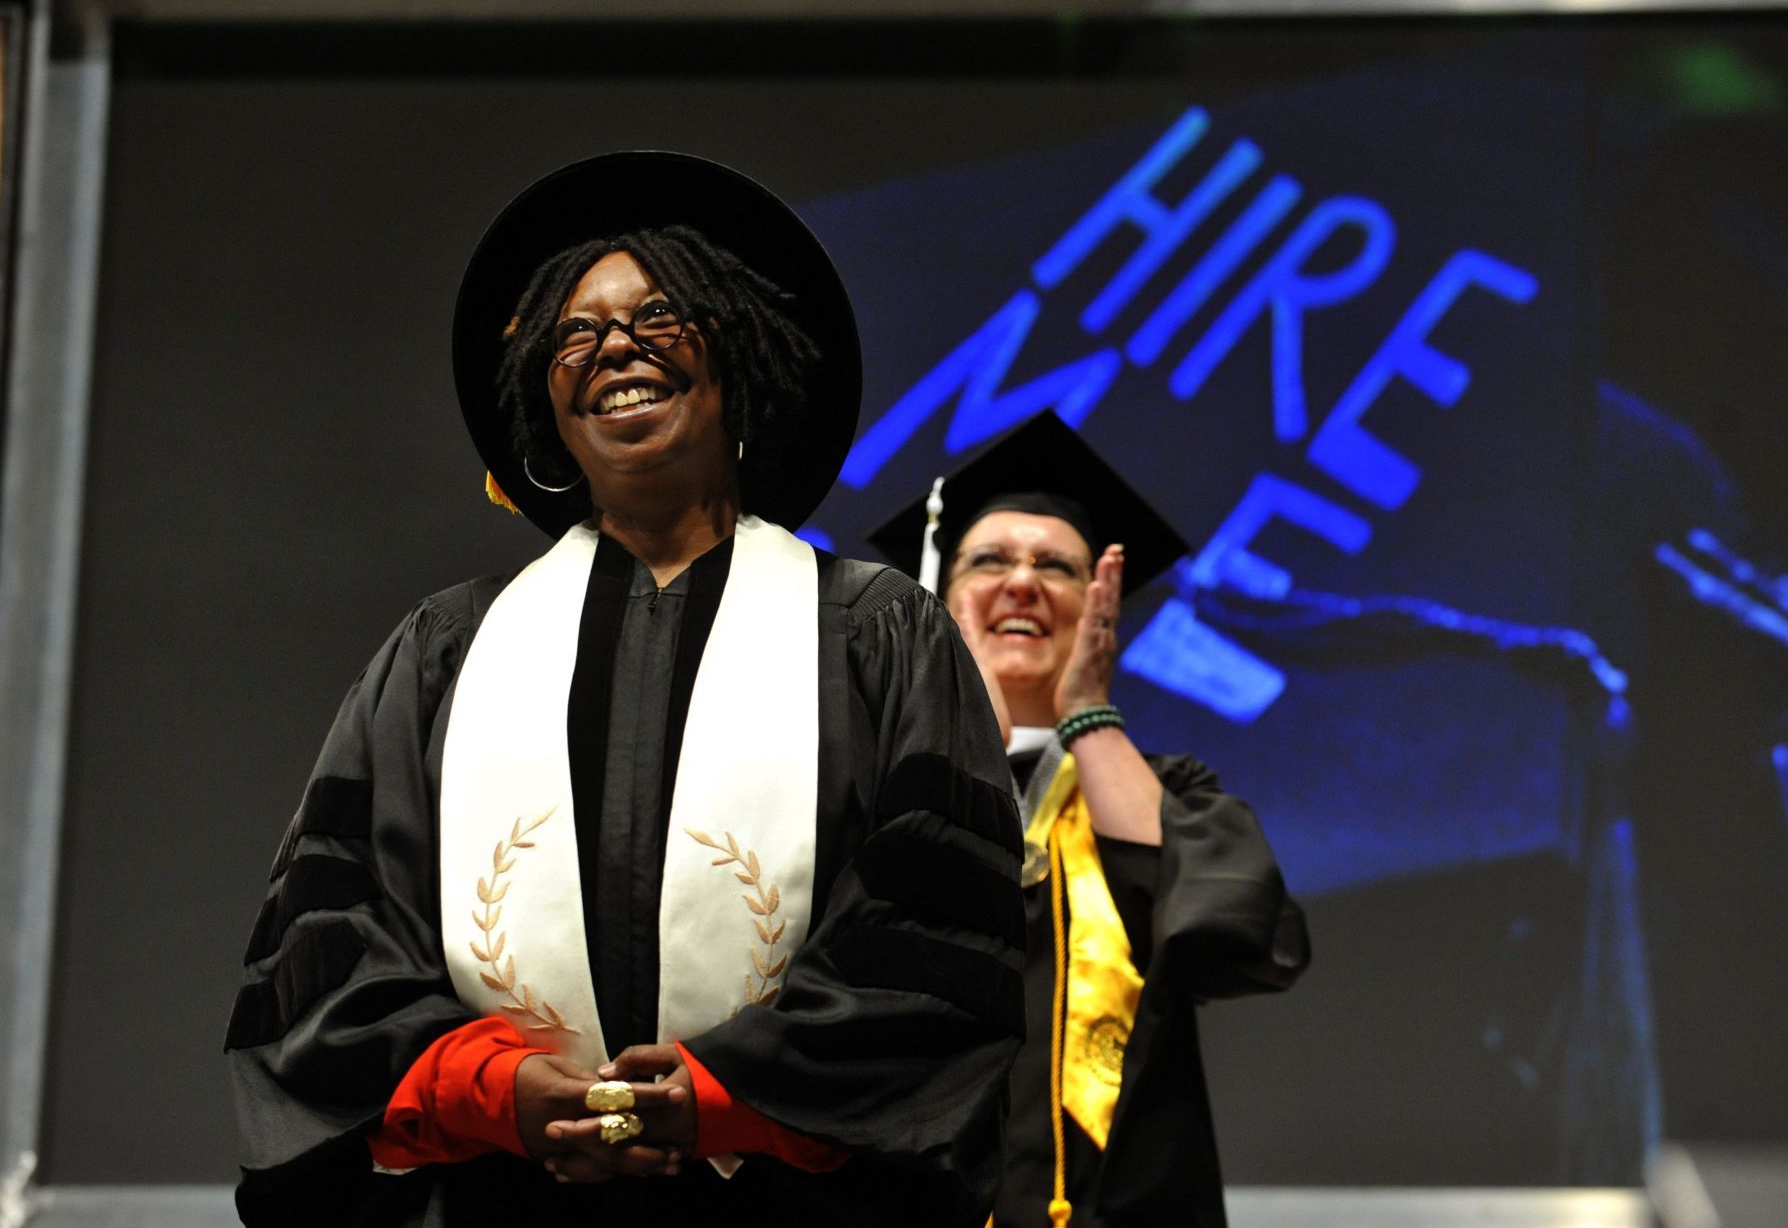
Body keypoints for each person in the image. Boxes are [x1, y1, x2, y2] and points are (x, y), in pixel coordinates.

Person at [225, 152, 1024, 1227]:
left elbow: (938, 936)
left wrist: (727, 1093)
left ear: (735, 357)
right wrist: (490, 1085)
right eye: (574, 334)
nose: (613, 348)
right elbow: (331, 938)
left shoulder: (874, 635)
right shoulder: (446, 650)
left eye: (658, 317)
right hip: (511, 1198)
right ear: (544, 402)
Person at [870, 412, 1310, 1228]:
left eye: (1057, 566)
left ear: (1097, 604)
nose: (1023, 582)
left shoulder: (1162, 791)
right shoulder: (865, 787)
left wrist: (1088, 714)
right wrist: (954, 734)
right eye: (990, 559)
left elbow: (1248, 944)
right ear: (938, 594)